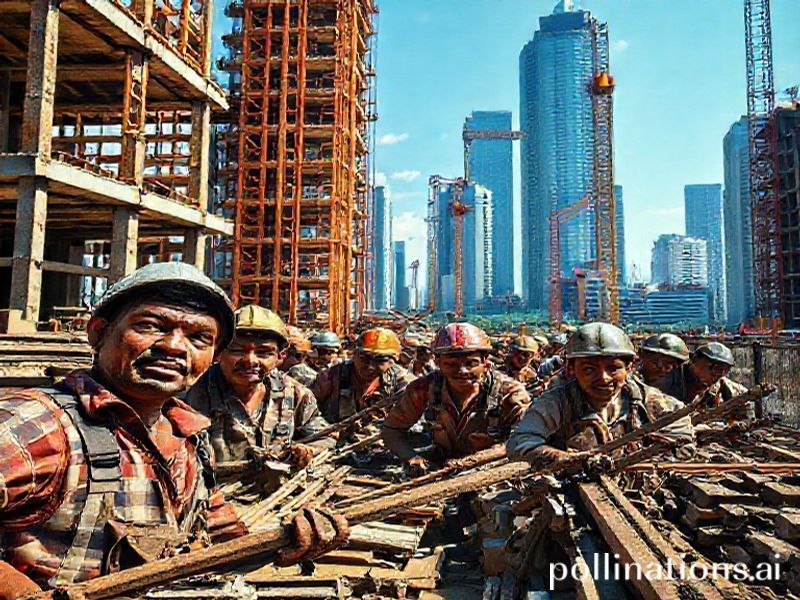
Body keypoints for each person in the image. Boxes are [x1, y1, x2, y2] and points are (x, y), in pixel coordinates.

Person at [0, 263, 246, 594]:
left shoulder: (188, 438)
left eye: (199, 337)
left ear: (213, 356)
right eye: (150, 325)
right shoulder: (37, 425)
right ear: (98, 333)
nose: (174, 346)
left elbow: (224, 540)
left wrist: (292, 539)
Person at [507, 323, 694, 470]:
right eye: (589, 369)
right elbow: (520, 443)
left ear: (629, 368)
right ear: (571, 369)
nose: (603, 378)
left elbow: (683, 437)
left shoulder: (651, 401)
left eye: (613, 368)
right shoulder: (556, 403)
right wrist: (567, 460)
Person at [186, 305, 333, 482]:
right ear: (218, 352)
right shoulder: (190, 394)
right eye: (237, 350)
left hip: (276, 500)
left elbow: (326, 438)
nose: (250, 360)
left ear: (281, 356)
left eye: (264, 352)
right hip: (211, 497)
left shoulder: (295, 395)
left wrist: (307, 451)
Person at [382, 322, 531, 476]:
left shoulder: (510, 393)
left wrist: (472, 462)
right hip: (442, 462)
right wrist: (412, 458)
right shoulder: (425, 388)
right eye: (451, 364)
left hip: (493, 467)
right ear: (438, 363)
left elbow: (524, 439)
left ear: (485, 363)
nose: (462, 371)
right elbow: (392, 430)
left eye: (471, 363)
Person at [312, 327, 415, 424]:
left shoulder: (403, 383)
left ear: (392, 361)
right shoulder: (330, 377)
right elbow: (308, 416)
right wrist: (333, 431)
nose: (369, 366)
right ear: (354, 354)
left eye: (379, 360)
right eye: (364, 358)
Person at [653, 341, 751, 418]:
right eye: (716, 368)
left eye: (725, 371)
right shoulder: (666, 379)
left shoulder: (722, 386)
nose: (718, 375)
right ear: (695, 360)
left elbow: (744, 401)